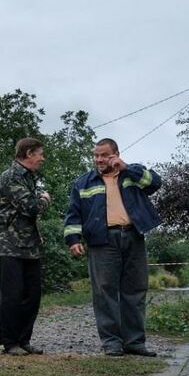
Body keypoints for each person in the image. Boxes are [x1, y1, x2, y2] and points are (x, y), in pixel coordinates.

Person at [64, 138, 162, 356]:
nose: (99, 159)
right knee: (104, 292)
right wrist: (73, 240)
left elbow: (155, 183)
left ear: (115, 154)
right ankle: (112, 343)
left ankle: (134, 342)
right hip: (102, 240)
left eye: (104, 155)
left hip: (133, 236)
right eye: (96, 155)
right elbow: (73, 214)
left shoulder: (132, 174)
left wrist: (127, 168)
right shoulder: (83, 183)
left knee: (135, 290)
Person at [0, 137, 51, 356]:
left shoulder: (28, 178)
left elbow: (25, 215)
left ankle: (24, 340)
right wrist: (45, 199)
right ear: (29, 154)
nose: (42, 158)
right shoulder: (11, 177)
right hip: (9, 245)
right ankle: (10, 343)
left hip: (29, 246)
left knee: (32, 295)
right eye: (40, 154)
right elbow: (31, 207)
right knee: (12, 296)